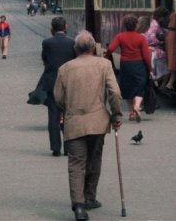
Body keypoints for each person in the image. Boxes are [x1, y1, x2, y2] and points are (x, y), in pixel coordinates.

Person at [54, 31, 122, 221]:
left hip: (74, 123)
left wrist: (68, 108)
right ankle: (90, 197)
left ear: (75, 49)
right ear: (93, 48)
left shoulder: (65, 69)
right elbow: (114, 93)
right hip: (98, 122)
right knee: (94, 160)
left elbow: (58, 97)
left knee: (76, 165)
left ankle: (79, 206)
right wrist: (116, 115)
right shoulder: (104, 64)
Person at [106, 15, 152, 122]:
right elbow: (146, 55)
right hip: (139, 65)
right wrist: (150, 68)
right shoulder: (141, 38)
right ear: (136, 25)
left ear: (125, 25)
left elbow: (111, 48)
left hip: (125, 65)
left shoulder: (120, 36)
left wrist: (106, 57)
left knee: (128, 88)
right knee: (140, 88)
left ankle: (131, 113)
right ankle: (137, 106)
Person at [41, 17, 76, 157]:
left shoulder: (47, 43)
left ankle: (55, 148)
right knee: (68, 115)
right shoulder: (72, 42)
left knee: (53, 116)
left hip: (52, 83)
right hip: (68, 83)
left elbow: (44, 59)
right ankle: (68, 147)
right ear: (65, 27)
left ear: (52, 28)